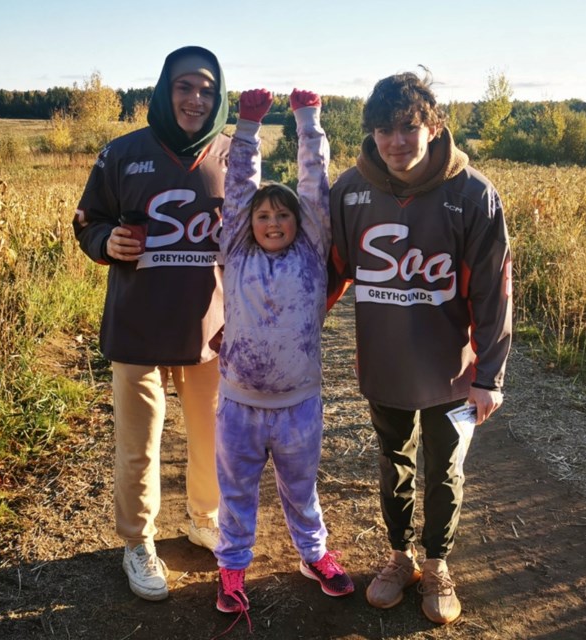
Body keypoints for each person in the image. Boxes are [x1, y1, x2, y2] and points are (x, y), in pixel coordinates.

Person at [329, 69, 513, 625]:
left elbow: (493, 289)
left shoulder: (473, 195)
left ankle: (436, 562)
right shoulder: (349, 191)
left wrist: (490, 376)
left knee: (445, 468)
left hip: (451, 372)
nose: (396, 142)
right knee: (394, 462)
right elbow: (329, 272)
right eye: (384, 130)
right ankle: (398, 556)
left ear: (433, 126)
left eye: (408, 127)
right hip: (383, 364)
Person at [72, 45, 230, 602]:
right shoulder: (121, 153)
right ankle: (137, 541)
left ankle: (203, 518)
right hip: (137, 322)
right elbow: (88, 221)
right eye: (185, 86)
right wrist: (103, 242)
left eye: (207, 89)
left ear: (219, 96)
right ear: (165, 91)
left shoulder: (235, 155)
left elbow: (262, 230)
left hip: (208, 327)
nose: (195, 98)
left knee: (211, 434)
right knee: (138, 442)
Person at [212, 87, 355, 623]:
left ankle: (313, 555)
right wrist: (247, 128)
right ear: (248, 224)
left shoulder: (313, 252)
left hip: (299, 406)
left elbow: (315, 184)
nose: (273, 222)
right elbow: (239, 186)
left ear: (299, 223)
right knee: (237, 492)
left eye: (283, 216)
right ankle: (231, 567)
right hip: (239, 406)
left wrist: (307, 120)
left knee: (301, 490)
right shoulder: (237, 248)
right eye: (263, 216)